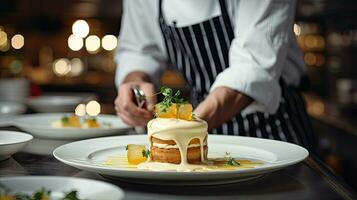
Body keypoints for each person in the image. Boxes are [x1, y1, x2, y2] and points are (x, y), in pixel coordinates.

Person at [114, 0, 314, 150]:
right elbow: (138, 51)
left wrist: (185, 129)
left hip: (272, 132)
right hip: (202, 139)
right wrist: (135, 82)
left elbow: (252, 66)